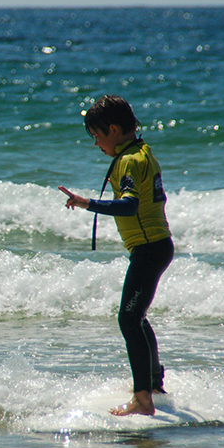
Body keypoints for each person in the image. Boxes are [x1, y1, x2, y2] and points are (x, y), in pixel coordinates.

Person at [58, 95, 173, 416]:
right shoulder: (142, 151)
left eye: (96, 136)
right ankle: (153, 385)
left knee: (128, 318)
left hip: (149, 248)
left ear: (112, 129)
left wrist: (87, 203)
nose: (96, 144)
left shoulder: (129, 160)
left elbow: (130, 205)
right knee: (137, 316)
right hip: (157, 246)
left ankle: (143, 400)